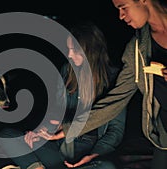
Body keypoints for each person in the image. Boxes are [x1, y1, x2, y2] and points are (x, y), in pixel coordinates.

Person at [0, 22, 126, 169]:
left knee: (107, 167)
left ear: (91, 50)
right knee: (7, 135)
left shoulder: (113, 78)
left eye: (75, 50)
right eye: (68, 49)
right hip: (60, 146)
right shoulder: (67, 71)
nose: (69, 54)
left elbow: (115, 130)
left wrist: (94, 155)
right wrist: (42, 131)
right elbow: (57, 113)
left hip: (88, 150)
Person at [62, 0, 167, 168]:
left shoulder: (108, 73)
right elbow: (116, 100)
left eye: (123, 7)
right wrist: (69, 129)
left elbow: (115, 131)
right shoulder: (138, 48)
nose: (121, 16)